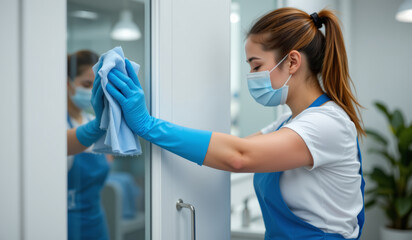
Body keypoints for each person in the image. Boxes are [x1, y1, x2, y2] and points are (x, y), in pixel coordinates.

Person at [96, 7, 365, 240]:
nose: (251, 76)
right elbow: (233, 149)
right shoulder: (288, 123)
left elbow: (239, 157)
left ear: (293, 61)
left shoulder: (328, 123)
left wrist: (147, 125)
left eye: (256, 66)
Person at [66, 50, 110, 240]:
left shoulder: (92, 120)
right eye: (86, 84)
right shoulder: (54, 125)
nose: (92, 91)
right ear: (67, 84)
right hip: (66, 225)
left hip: (96, 223)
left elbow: (109, 160)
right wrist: (98, 127)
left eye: (96, 85)